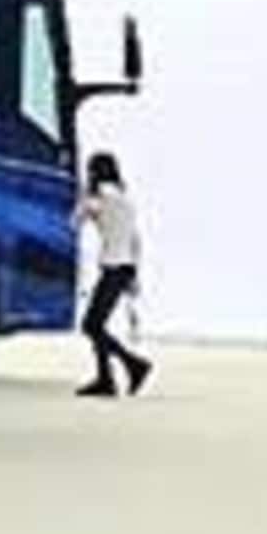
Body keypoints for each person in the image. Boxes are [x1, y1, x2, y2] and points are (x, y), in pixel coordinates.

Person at [76, 152, 151, 398]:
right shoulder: (125, 199)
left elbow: (74, 221)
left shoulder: (98, 199)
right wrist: (135, 276)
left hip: (112, 268)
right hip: (126, 268)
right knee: (97, 324)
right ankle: (105, 379)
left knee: (91, 325)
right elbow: (136, 240)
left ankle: (134, 365)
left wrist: (83, 197)